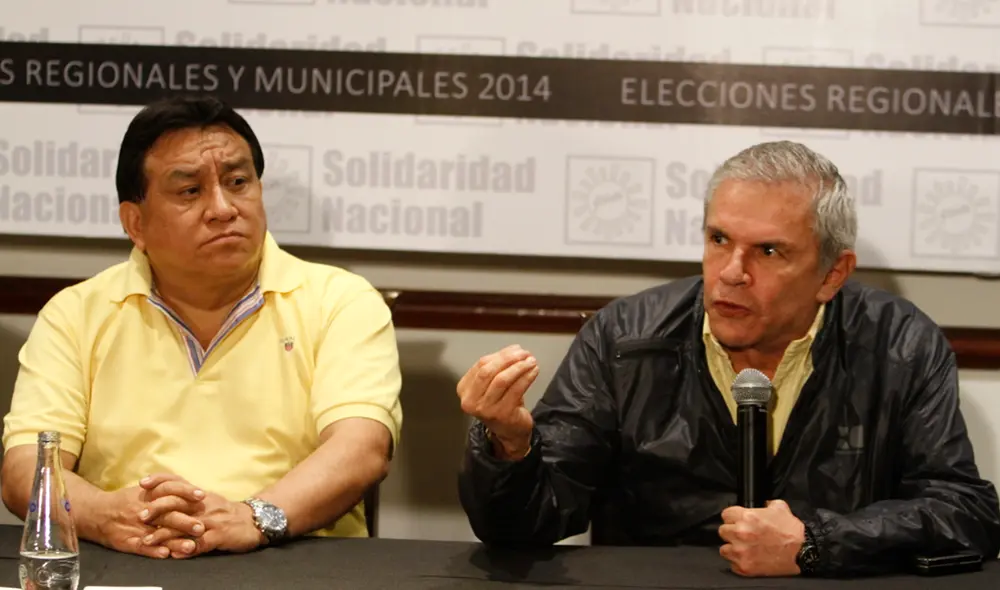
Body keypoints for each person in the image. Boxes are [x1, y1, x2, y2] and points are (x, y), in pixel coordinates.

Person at [455, 140, 1000, 577]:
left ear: (832, 273)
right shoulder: (624, 338)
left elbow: (964, 510)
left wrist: (817, 544)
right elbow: (524, 526)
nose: (731, 271)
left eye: (768, 251)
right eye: (718, 239)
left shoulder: (899, 344)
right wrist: (509, 447)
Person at [1, 95, 403, 559]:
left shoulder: (340, 301)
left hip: (296, 561)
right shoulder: (76, 313)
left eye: (238, 182)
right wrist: (107, 515)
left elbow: (362, 449)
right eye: (190, 191)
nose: (223, 208)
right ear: (136, 223)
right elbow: (25, 469)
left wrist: (253, 517)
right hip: (129, 563)